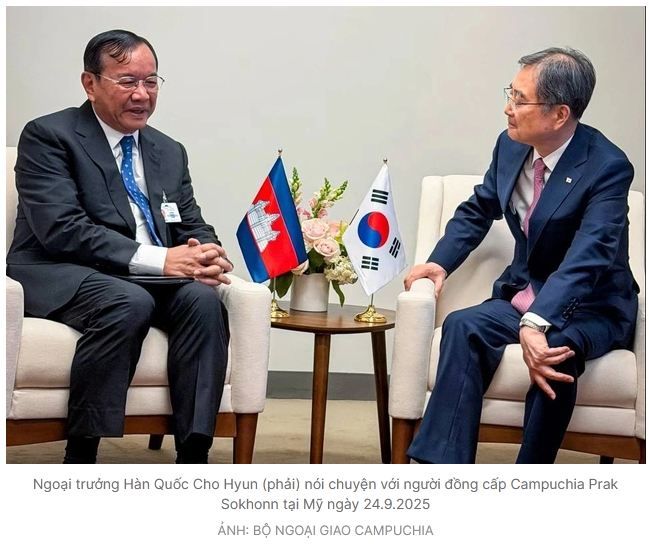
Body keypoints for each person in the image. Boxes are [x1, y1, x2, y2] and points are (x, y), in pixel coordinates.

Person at [7, 29, 234, 464]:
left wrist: (207, 253)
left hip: (146, 275)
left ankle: (194, 453)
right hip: (63, 269)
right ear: (90, 83)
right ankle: (83, 454)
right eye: (127, 81)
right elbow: (61, 229)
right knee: (127, 301)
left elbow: (189, 220)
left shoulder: (168, 150)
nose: (142, 94)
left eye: (150, 82)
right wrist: (162, 259)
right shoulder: (49, 136)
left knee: (204, 302)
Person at [405, 47, 638, 464]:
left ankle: (529, 476)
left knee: (556, 350)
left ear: (559, 114)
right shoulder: (511, 146)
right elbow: (480, 208)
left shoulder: (607, 167)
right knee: (462, 326)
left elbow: (589, 256)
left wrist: (536, 322)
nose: (507, 108)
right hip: (527, 293)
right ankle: (442, 469)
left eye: (519, 99)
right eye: (510, 93)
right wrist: (439, 262)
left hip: (591, 305)